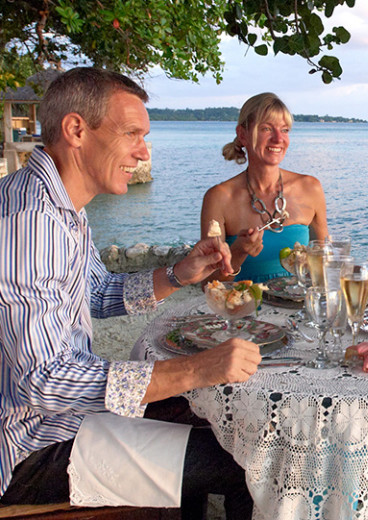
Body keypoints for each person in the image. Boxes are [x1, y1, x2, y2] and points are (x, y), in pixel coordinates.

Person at [0, 67, 259, 519]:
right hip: (32, 446)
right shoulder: (30, 220)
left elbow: (98, 294)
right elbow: (43, 380)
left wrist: (179, 273)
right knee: (249, 462)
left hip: (62, 418)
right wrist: (194, 369)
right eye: (133, 134)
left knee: (227, 422)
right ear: (76, 130)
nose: (143, 153)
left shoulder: (60, 206)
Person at [200, 92, 328, 283]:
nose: (278, 139)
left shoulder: (311, 188)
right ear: (243, 135)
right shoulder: (219, 198)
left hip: (300, 309)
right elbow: (209, 283)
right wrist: (238, 251)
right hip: (244, 309)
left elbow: (326, 262)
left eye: (284, 130)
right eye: (267, 129)